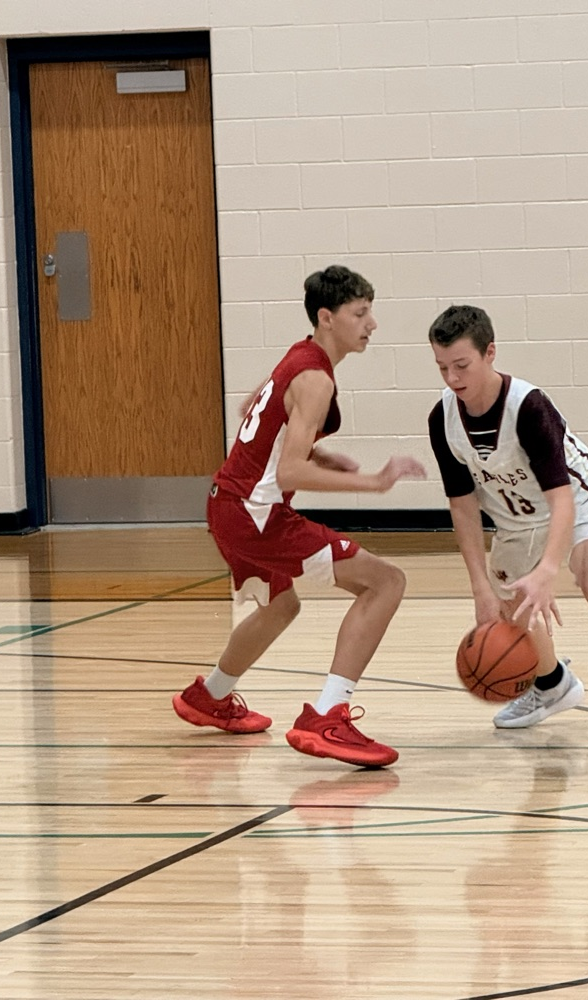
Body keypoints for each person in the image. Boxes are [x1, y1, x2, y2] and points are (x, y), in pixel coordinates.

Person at [173, 265, 426, 767]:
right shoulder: (315, 378)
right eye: (361, 313)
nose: (371, 324)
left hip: (227, 503)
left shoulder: (299, 355)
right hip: (256, 514)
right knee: (385, 582)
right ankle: (328, 716)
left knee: (280, 605)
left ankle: (210, 696)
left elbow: (254, 411)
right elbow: (288, 471)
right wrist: (374, 481)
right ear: (327, 318)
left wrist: (319, 454)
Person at [427, 304, 588, 767]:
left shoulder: (528, 407)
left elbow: (562, 498)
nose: (452, 378)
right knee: (513, 606)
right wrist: (480, 587)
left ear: (490, 353)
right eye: (442, 367)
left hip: (581, 501)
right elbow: (463, 507)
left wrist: (548, 569)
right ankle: (551, 685)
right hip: (516, 522)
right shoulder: (442, 418)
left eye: (461, 365)